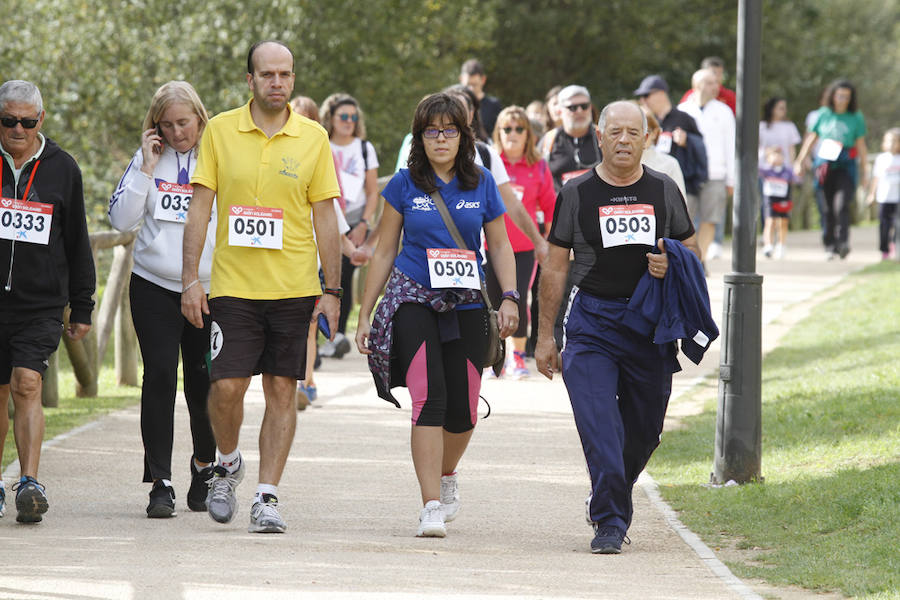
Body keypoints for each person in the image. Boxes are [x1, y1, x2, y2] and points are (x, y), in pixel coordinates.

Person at [180, 40, 342, 534]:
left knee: (281, 390)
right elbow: (201, 209)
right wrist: (190, 279)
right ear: (250, 80)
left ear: (293, 79)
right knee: (226, 386)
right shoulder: (222, 132)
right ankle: (227, 463)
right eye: (268, 74)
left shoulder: (313, 138)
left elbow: (326, 220)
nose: (278, 83)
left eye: (286, 74)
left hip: (293, 288)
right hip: (233, 288)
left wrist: (332, 292)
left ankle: (267, 496)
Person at [535, 101, 701, 554]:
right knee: (601, 427)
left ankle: (608, 494)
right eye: (616, 132)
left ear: (647, 139)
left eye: (635, 132)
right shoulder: (576, 192)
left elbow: (693, 250)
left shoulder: (664, 190)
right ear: (600, 138)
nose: (625, 140)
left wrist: (674, 261)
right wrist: (546, 336)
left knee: (645, 431)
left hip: (650, 326)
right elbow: (553, 268)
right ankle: (610, 521)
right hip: (591, 322)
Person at [355, 92, 518, 538]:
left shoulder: (481, 181)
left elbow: (500, 244)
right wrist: (365, 313)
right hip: (414, 299)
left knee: (464, 409)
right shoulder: (404, 183)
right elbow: (385, 249)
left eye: (450, 130)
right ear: (420, 137)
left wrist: (510, 297)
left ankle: (447, 474)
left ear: (464, 136)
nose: (441, 138)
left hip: (466, 301)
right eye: (432, 131)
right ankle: (429, 503)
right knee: (430, 398)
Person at [108, 81, 217, 518]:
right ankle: (160, 481)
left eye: (184, 123)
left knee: (203, 381)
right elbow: (120, 219)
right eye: (167, 125)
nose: (177, 133)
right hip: (153, 284)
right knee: (158, 377)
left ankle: (204, 466)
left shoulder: (218, 155)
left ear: (200, 118)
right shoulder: (147, 159)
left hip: (208, 289)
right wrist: (146, 167)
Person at [0, 80, 95, 523]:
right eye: (8, 120)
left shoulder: (62, 168)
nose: (17, 129)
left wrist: (83, 304)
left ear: (41, 119)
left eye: (26, 121)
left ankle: (30, 483)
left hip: (40, 304)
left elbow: (77, 240)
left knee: (26, 383)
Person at [485, 106, 556, 379]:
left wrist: (546, 244)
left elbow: (549, 208)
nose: (513, 134)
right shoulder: (490, 163)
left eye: (519, 129)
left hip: (524, 248)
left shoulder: (538, 166)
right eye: (507, 129)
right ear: (498, 133)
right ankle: (495, 355)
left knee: (516, 298)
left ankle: (516, 355)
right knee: (491, 300)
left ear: (528, 134)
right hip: (490, 246)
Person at [318, 93, 378, 360]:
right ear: (331, 118)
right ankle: (325, 335)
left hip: (356, 219)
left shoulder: (365, 148)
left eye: (353, 117)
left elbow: (373, 191)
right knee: (325, 275)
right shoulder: (321, 145)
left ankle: (337, 335)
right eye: (343, 116)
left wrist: (364, 223)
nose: (349, 121)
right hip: (326, 216)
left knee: (344, 278)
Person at [794, 79, 868, 260]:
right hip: (824, 165)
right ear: (833, 96)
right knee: (826, 208)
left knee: (841, 205)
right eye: (839, 95)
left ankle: (843, 243)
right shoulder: (823, 114)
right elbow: (811, 138)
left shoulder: (856, 117)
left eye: (846, 97)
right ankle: (829, 245)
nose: (842, 99)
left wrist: (865, 172)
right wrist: (800, 160)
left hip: (845, 165)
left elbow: (861, 145)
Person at [678, 68, 735, 263]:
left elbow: (730, 145)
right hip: (690, 174)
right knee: (686, 220)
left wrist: (731, 178)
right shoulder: (683, 110)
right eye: (709, 83)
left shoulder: (724, 111)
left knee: (710, 219)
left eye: (715, 82)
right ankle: (690, 257)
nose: (715, 87)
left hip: (716, 173)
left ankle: (698, 261)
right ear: (697, 86)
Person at [635, 75, 707, 211]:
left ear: (661, 94)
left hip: (682, 182)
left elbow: (700, 149)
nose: (642, 100)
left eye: (646, 95)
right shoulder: (645, 120)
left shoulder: (684, 118)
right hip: (652, 185)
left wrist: (687, 141)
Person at [539, 85, 602, 191]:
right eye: (572, 107)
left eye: (584, 106)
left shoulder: (603, 136)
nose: (579, 111)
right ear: (559, 111)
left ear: (590, 107)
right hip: (561, 205)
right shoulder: (548, 141)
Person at [758, 96, 801, 240]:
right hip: (765, 171)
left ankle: (780, 237)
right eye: (780, 107)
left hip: (783, 173)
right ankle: (767, 236)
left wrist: (793, 166)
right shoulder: (762, 126)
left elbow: (791, 149)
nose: (783, 111)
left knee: (782, 205)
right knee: (766, 204)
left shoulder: (789, 127)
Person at [866, 128, 900, 260]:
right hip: (885, 198)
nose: (892, 144)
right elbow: (876, 178)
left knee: (898, 225)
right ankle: (884, 250)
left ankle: (896, 247)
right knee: (884, 226)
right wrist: (871, 194)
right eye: (889, 141)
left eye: (895, 141)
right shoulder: (881, 159)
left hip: (898, 198)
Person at [639, 105, 687, 198]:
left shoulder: (670, 164)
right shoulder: (618, 162)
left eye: (647, 130)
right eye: (635, 131)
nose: (643, 136)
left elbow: (680, 204)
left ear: (655, 132)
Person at [758, 146, 795, 259]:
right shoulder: (766, 171)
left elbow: (795, 178)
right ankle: (768, 245)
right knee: (769, 222)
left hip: (784, 200)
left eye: (779, 155)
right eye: (773, 155)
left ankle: (781, 244)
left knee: (783, 223)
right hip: (770, 200)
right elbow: (756, 166)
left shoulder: (787, 171)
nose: (776, 157)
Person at [460, 59, 503, 141]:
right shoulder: (456, 105)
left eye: (474, 85)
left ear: (483, 80)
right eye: (468, 85)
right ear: (461, 79)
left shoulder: (494, 105)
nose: (470, 89)